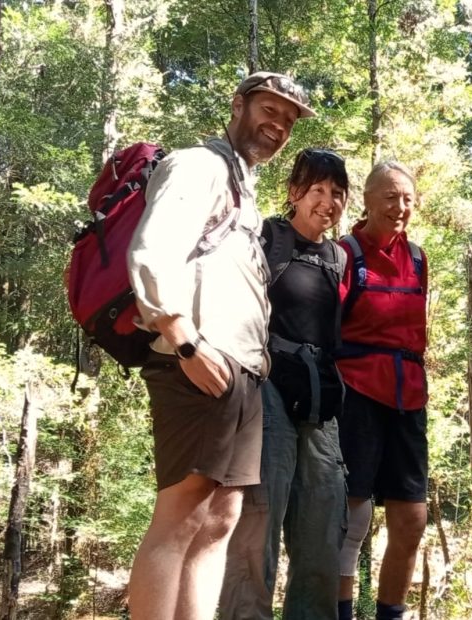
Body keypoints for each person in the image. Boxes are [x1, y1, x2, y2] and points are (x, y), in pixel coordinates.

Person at [125, 71, 315, 620]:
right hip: (197, 360)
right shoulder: (200, 165)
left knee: (219, 518)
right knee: (181, 515)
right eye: (268, 111)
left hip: (239, 371)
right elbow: (152, 249)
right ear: (237, 106)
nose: (277, 125)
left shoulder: (242, 187)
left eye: (287, 120)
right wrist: (183, 341)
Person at [220, 148, 350, 620]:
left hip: (320, 403)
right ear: (295, 192)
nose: (328, 201)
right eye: (318, 190)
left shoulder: (337, 257)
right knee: (257, 528)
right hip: (266, 394)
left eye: (337, 193)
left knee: (321, 532)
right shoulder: (267, 237)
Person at [335, 161, 429, 620]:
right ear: (368, 200)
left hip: (409, 398)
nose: (400, 207)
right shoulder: (345, 254)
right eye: (390, 197)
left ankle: (391, 614)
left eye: (407, 198)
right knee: (352, 518)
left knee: (411, 521)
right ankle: (341, 612)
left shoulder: (417, 258)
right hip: (357, 395)